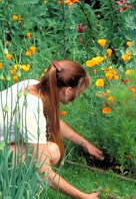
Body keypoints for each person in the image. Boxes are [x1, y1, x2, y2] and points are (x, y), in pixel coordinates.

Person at [0, 59, 104, 199]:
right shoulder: (30, 108)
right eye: (78, 92)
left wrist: (85, 144)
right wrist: (84, 197)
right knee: (51, 153)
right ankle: (19, 192)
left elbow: (55, 122)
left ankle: (18, 186)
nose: (78, 96)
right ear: (67, 91)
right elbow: (44, 171)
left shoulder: (32, 85)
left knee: (49, 151)